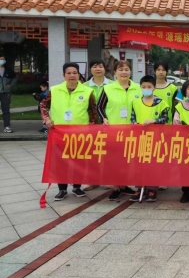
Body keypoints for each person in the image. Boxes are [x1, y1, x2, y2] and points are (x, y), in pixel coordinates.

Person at [40, 63, 96, 201]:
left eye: (75, 73)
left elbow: (92, 112)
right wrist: (46, 118)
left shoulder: (87, 91)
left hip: (80, 134)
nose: (72, 75)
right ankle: (62, 189)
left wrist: (92, 128)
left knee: (79, 161)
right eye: (69, 73)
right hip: (59, 133)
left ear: (79, 75)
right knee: (61, 162)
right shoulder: (54, 90)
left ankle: (77, 187)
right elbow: (43, 105)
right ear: (63, 75)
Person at [97, 60, 141, 201]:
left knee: (128, 160)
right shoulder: (108, 88)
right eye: (120, 70)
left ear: (130, 72)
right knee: (115, 160)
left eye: (127, 69)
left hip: (133, 131)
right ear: (115, 72)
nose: (124, 72)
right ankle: (116, 187)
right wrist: (104, 118)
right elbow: (99, 107)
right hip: (114, 131)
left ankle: (125, 185)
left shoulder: (138, 88)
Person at [129, 75, 169, 203]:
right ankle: (139, 188)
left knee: (153, 164)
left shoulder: (161, 103)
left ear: (154, 88)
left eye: (149, 87)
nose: (146, 89)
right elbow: (132, 118)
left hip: (155, 139)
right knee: (139, 164)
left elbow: (165, 118)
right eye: (144, 87)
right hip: (140, 138)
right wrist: (135, 124)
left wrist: (154, 121)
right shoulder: (135, 102)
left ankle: (152, 189)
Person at [82, 60, 112, 191]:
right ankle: (92, 180)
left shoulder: (112, 85)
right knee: (91, 154)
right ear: (90, 69)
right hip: (90, 125)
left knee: (108, 153)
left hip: (109, 124)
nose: (98, 69)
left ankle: (107, 179)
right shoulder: (83, 86)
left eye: (100, 66)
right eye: (95, 66)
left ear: (105, 69)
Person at [0, 54, 17, 133]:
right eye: (1, 59)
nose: (2, 60)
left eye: (3, 59)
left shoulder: (8, 70)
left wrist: (10, 85)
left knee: (6, 110)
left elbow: (15, 77)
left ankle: (7, 126)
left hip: (5, 93)